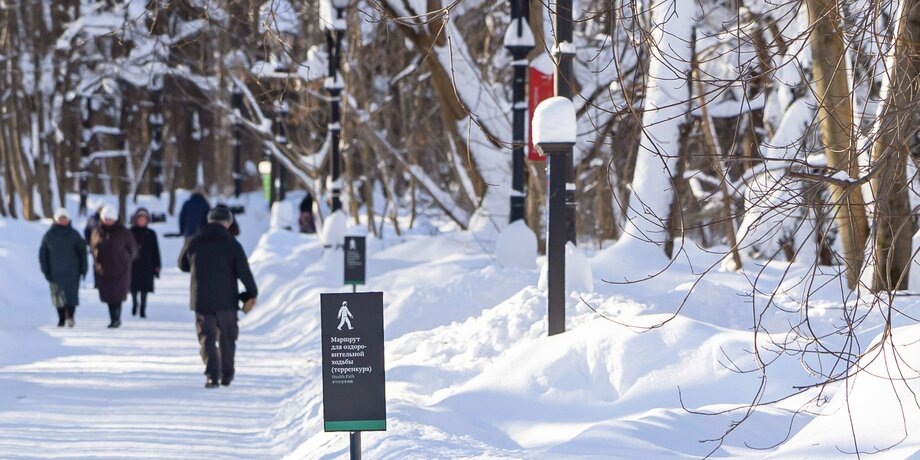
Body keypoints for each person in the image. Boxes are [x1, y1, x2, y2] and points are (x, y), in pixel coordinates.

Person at [179, 206, 258, 388]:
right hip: (227, 301)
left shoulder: (195, 241)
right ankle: (227, 374)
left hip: (202, 299)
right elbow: (244, 272)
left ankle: (212, 375)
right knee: (227, 338)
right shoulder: (232, 244)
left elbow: (182, 264)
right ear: (228, 223)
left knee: (207, 337)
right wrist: (251, 292)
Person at [90, 206, 138, 328]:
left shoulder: (124, 232)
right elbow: (92, 247)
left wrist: (125, 259)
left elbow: (132, 250)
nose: (108, 221)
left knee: (117, 295)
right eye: (106, 219)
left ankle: (116, 319)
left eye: (110, 219)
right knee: (108, 296)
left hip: (120, 269)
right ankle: (113, 317)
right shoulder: (97, 232)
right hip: (103, 270)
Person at [39, 208, 88, 327]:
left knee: (71, 296)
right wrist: (45, 270)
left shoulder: (74, 235)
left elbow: (82, 252)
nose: (62, 221)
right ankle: (61, 318)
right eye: (60, 219)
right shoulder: (49, 235)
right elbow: (43, 254)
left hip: (72, 272)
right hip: (55, 272)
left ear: (68, 220)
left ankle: (70, 316)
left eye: (64, 218)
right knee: (58, 296)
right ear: (56, 220)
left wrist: (83, 268)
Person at [129, 208, 162, 318]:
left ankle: (143, 308)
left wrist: (157, 266)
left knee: (145, 289)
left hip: (147, 264)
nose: (142, 221)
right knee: (133, 287)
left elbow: (155, 250)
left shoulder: (151, 234)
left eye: (144, 219)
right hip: (133, 264)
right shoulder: (130, 232)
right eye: (140, 219)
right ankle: (135, 304)